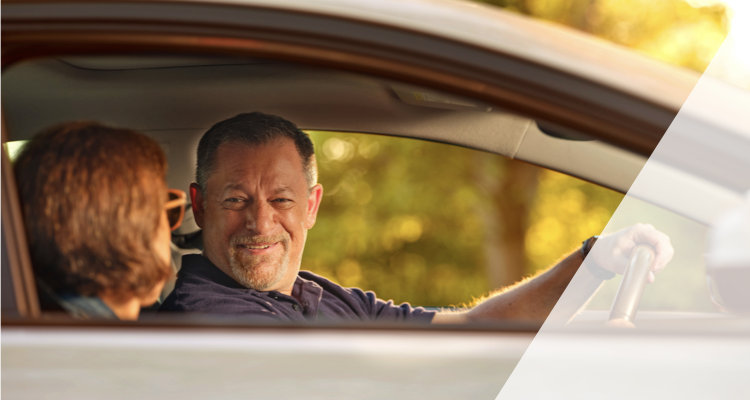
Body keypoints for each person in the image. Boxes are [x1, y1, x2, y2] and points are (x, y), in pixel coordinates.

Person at [159, 112, 674, 323]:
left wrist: (593, 260)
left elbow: (468, 330)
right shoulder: (212, 318)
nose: (260, 222)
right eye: (235, 200)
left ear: (312, 206)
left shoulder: (320, 296)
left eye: (281, 201)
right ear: (200, 206)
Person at [14, 122, 187, 320]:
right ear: (126, 227)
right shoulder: (102, 345)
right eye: (166, 212)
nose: (170, 231)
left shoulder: (30, 318)